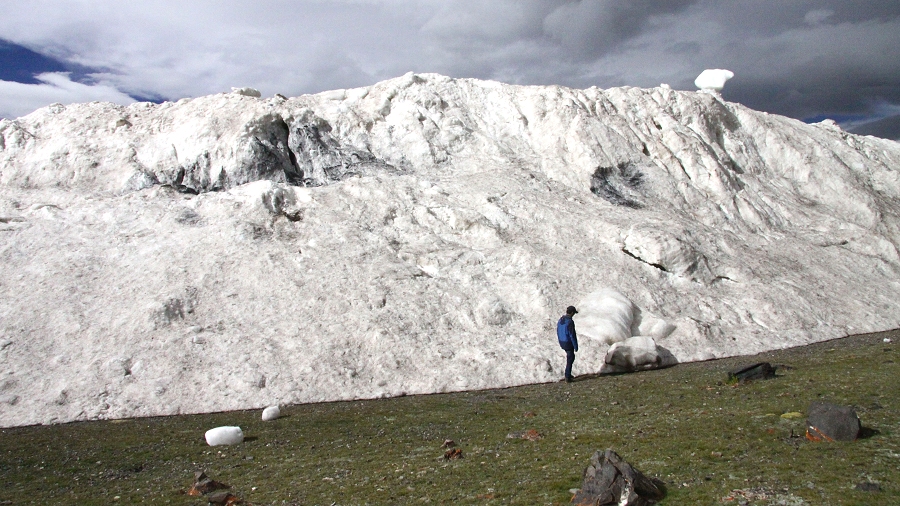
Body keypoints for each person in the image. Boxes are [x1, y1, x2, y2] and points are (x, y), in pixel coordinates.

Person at [557, 305, 579, 383]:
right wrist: (575, 346)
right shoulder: (570, 322)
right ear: (572, 312)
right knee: (571, 358)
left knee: (570, 357)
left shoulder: (561, 320)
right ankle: (567, 376)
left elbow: (558, 330)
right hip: (568, 342)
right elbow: (572, 335)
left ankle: (568, 374)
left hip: (562, 341)